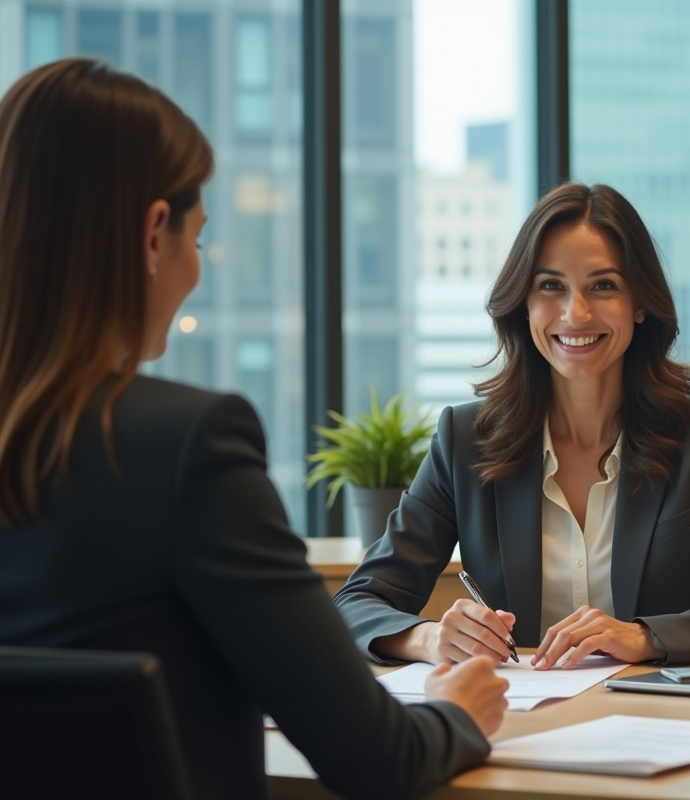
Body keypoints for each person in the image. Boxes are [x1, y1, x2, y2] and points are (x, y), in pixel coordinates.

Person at [0, 59, 507, 800]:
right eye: (197, 240)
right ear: (151, 236)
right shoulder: (186, 447)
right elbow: (376, 759)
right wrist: (456, 713)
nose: (195, 271)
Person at [334, 182, 690, 671]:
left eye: (603, 286)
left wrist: (644, 637)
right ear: (523, 305)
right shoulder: (465, 441)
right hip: (522, 726)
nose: (576, 313)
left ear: (640, 303)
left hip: (666, 725)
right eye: (550, 286)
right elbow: (355, 604)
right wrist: (428, 638)